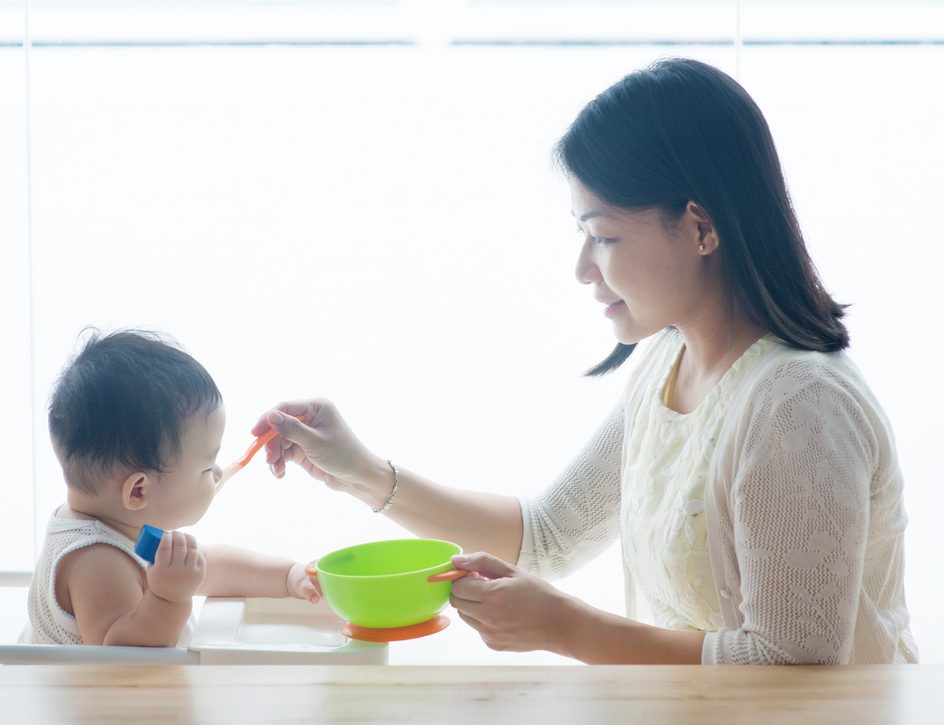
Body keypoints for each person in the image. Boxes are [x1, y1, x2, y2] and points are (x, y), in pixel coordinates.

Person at [249, 58, 917, 665]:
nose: (581, 269)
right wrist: (358, 472)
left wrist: (566, 628)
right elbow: (548, 538)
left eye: (604, 237)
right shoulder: (669, 364)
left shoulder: (798, 407)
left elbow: (793, 667)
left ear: (701, 228)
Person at [22, 329, 319, 648]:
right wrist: (169, 597)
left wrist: (287, 576)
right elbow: (118, 658)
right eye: (206, 467)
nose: (218, 472)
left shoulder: (119, 522)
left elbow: (205, 566)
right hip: (95, 698)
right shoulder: (96, 561)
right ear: (138, 491)